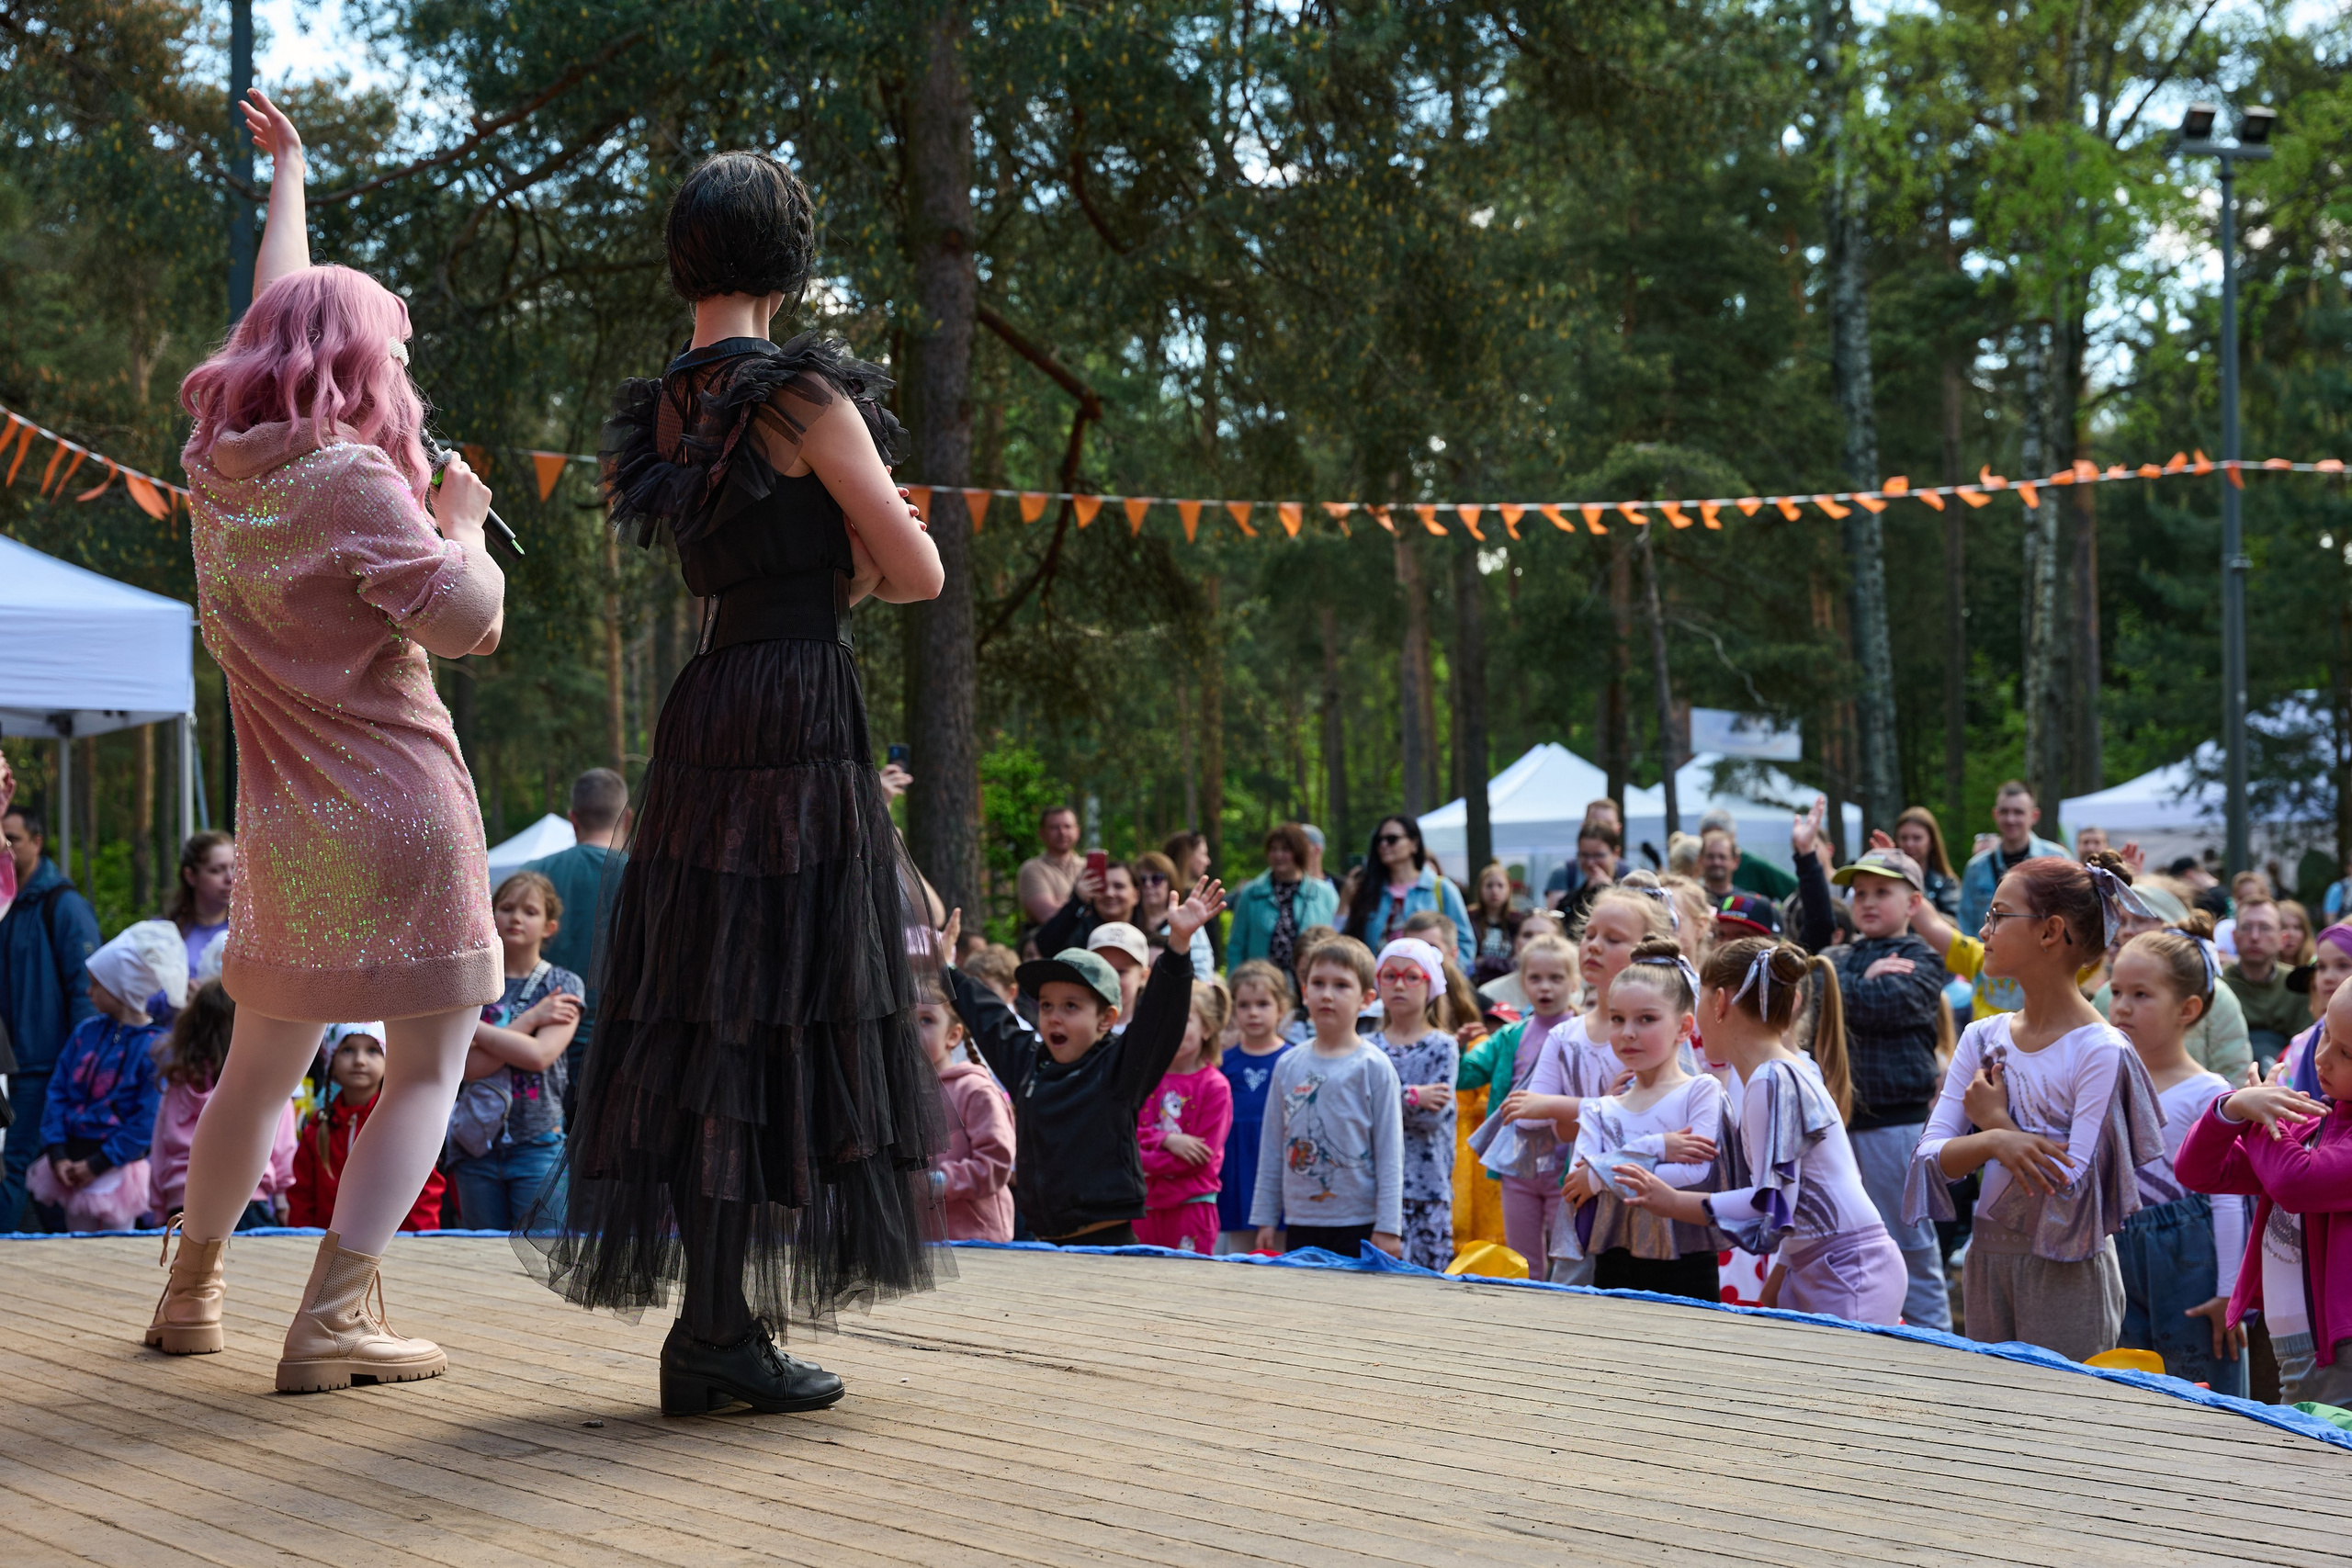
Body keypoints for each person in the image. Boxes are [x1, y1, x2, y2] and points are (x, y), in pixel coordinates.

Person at [534, 145, 947, 1417]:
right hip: (800, 702)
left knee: (716, 1004)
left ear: (686, 257)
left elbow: (742, 562)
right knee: (785, 999)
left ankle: (715, 1324)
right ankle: (718, 1331)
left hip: (710, 707)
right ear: (789, 257)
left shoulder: (665, 407)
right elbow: (915, 572)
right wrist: (861, 570)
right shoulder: (805, 397)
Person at [155, 89, 508, 1393]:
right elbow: (471, 623)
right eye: (395, 356)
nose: (404, 376)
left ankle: (191, 1291)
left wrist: (291, 177)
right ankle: (336, 1316)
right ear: (358, 366)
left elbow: (282, 302)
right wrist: (462, 519)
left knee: (259, 1059)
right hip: (403, 802)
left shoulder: (218, 470)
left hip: (286, 822)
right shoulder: (362, 482)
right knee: (429, 1058)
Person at [1905, 852, 2165, 1361]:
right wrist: (1996, 1140)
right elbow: (1929, 1157)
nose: (1984, 931)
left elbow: (2076, 1191)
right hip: (1987, 1258)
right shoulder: (1983, 1036)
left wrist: (1996, 1125)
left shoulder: (2100, 1050)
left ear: (2050, 931)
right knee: (1994, 1429)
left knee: (2063, 1427)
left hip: (2067, 1271)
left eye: (1999, 916)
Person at [1619, 938, 1905, 1324]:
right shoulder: (1776, 1074)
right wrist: (1779, 1280)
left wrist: (1671, 1202)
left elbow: (1773, 1203)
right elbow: (1796, 1195)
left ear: (1720, 1002)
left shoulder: (1772, 1079)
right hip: (1825, 1263)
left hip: (1847, 1268)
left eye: (1698, 999)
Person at [940, 886, 1219, 1249]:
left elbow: (1160, 1020)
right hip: (1043, 1246)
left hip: (1106, 1246)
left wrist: (1178, 945)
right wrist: (946, 968)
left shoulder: (1120, 1068)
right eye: (1046, 1005)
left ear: (1106, 1018)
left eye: (1071, 1006)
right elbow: (989, 1018)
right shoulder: (1029, 1064)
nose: (1054, 1018)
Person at [1789, 812, 1956, 1333]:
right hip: (1839, 1128)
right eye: (1859, 892)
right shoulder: (1840, 954)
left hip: (1894, 1127)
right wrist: (1806, 859)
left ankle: (1939, 1360)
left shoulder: (1924, 958)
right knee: (1838, 1242)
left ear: (1913, 903)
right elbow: (1817, 975)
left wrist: (1842, 980)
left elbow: (1884, 1004)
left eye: (1881, 891)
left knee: (1910, 1247)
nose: (1865, 901)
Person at [2175, 985, 2352, 1408]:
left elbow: (2296, 1183)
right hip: (2300, 1346)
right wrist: (2232, 1109)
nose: (2323, 1056)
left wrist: (2259, 1121)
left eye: (2348, 1053)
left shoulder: (2295, 1132)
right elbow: (2199, 1172)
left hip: (2341, 1352)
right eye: (2325, 1034)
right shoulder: (2310, 1125)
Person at [1493, 879, 1677, 1280]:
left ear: (1646, 949)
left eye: (1612, 939)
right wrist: (1597, 1109)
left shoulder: (1659, 1034)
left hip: (1645, 1208)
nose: (1593, 945)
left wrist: (1573, 1109)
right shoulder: (1565, 1035)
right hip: (1584, 1202)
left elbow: (1657, 1117)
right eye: (1589, 934)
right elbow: (1536, 1121)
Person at [2105, 919, 2247, 1394]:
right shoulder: (2110, 1078)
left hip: (2189, 1261)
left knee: (2200, 1383)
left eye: (2141, 995)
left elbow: (2226, 1200)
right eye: (2117, 990)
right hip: (2119, 1246)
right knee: (2130, 1381)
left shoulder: (2208, 1091)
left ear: (2187, 1008)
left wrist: (2229, 1293)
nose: (2121, 1006)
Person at [1545, 942, 1728, 1302]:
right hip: (1615, 1262)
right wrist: (1658, 1147)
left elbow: (1697, 1173)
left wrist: (1603, 1174)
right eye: (1617, 1019)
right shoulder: (1601, 1109)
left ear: (1683, 1027)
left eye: (1646, 1019)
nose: (1628, 1032)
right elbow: (1577, 1182)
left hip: (1688, 1262)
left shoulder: (1700, 1091)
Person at [1250, 936, 1405, 1258]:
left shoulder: (1373, 1066)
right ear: (1304, 993)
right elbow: (1272, 1146)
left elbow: (1391, 1152)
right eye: (1318, 983)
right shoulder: (1288, 1064)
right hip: (1300, 1220)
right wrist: (1265, 1218)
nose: (1327, 995)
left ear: (1366, 999)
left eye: (1341, 985)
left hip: (1360, 1222)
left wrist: (1389, 1226)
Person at [446, 872, 582, 1232]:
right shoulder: (471, 983)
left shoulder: (563, 984)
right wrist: (533, 1018)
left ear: (549, 926)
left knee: (537, 1258)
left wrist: (471, 1028)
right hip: (476, 1147)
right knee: (481, 1261)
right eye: (506, 908)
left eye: (530, 911)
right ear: (491, 916)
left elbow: (539, 1055)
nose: (516, 918)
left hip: (537, 1145)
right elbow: (468, 1069)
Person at [28, 922, 180, 1233]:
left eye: (96, 984)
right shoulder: (86, 1033)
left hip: (116, 1170)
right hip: (69, 1161)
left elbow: (146, 1118)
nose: (88, 992)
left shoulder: (155, 1048)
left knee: (115, 1244)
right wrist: (57, 1153)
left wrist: (98, 1163)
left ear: (123, 987)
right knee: (74, 1240)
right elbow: (57, 1092)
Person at [0, 801, 102, 1230]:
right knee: (29, 1167)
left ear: (37, 842)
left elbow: (85, 990)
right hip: (11, 1062)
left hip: (43, 1064)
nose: (5, 847)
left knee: (12, 1163)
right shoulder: (7, 901)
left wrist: (82, 1064)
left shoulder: (63, 904)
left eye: (14, 839)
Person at [149, 973, 297, 1230]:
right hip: (248, 1201)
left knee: (192, 1269)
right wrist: (282, 1199)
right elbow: (282, 1147)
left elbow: (160, 1150)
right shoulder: (267, 1081)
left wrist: (160, 1209)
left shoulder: (180, 1082)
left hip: (183, 1201)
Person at [523, 767, 628, 1118]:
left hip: (542, 1046)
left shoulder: (533, 876)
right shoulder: (645, 876)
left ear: (573, 818)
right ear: (627, 817)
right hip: (625, 1048)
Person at [289, 1022, 446, 1234]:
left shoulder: (403, 1127)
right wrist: (303, 1241)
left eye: (373, 1050)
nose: (359, 1061)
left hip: (395, 1249)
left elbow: (424, 1192)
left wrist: (418, 1242)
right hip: (324, 1250)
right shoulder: (318, 1128)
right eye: (347, 1050)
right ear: (331, 1060)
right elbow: (302, 1197)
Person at [1364, 939, 1460, 1270]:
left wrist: (1385, 1100)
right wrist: (1413, 1096)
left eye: (1410, 976)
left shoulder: (1442, 1047)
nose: (1399, 985)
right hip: (1374, 1189)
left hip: (1428, 1187)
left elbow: (1434, 1118)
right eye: (1389, 976)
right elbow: (1362, 1111)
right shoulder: (1368, 1047)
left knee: (1424, 1283)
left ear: (1429, 983)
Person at [1136, 981, 1235, 1254]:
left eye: (1183, 1019)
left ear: (1207, 1028)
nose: (1171, 1026)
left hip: (1192, 1207)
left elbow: (1199, 1157)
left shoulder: (1215, 1087)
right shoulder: (1143, 1079)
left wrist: (1142, 1162)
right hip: (1144, 1207)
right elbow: (1127, 1138)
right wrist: (1166, 1139)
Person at [917, 977, 1013, 1244]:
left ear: (953, 1035)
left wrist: (934, 1183)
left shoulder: (975, 1090)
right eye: (903, 1021)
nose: (911, 1031)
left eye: (926, 1020)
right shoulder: (895, 1093)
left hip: (976, 1241)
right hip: (921, 1243)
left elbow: (996, 1165)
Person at [1218, 961, 1294, 1254]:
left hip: (1278, 1166)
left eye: (1263, 1004)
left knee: (1283, 1252)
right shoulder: (1225, 1062)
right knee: (1239, 1251)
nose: (1253, 1012)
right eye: (1244, 1005)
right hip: (1237, 1168)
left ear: (1281, 1008)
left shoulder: (1292, 1059)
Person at [1340, 815, 1473, 968]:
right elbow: (1349, 939)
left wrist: (1443, 981)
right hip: (1379, 985)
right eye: (1379, 840)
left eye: (1392, 839)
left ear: (1414, 844)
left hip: (1428, 985)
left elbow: (1465, 944)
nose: (1383, 845)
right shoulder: (1367, 890)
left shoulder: (1442, 889)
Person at [1226, 823, 1340, 985]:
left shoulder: (1324, 894)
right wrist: (1234, 984)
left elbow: (1338, 940)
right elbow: (1236, 945)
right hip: (1261, 984)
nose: (1278, 855)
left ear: (1298, 852)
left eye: (1285, 850)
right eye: (1273, 849)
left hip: (1310, 981)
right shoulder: (1251, 893)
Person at [1956, 780, 2069, 942]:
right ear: (1995, 814)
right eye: (2004, 812)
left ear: (2034, 815)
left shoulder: (2057, 861)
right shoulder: (1976, 868)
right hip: (1987, 962)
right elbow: (1966, 927)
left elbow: (2069, 919)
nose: (2010, 819)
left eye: (2018, 812)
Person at [2224, 897, 2304, 1069]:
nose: (2254, 937)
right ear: (2234, 937)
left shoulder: (2298, 984)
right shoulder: (2217, 985)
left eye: (2265, 928)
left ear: (2282, 939)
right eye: (2246, 927)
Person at [164, 831, 236, 991]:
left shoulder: (250, 935)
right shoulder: (164, 932)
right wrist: (175, 997)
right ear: (190, 876)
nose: (230, 878)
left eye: (235, 867)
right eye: (217, 870)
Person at [1131, 851, 1216, 980]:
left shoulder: (1187, 922)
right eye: (1142, 880)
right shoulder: (1129, 922)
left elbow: (1202, 976)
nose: (1148, 885)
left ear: (1170, 883)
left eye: (1156, 879)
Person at [1035, 858, 1142, 957]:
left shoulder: (1148, 930)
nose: (1109, 893)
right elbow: (1045, 946)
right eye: (1102, 887)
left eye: (1119, 886)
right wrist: (1077, 900)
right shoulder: (1078, 932)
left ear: (1136, 895)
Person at [1016, 806, 1083, 949]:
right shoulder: (1032, 869)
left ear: (1077, 831)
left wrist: (1063, 903)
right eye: (1054, 827)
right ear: (1042, 833)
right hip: (1049, 951)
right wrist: (1083, 903)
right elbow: (1049, 916)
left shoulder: (1087, 867)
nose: (1062, 832)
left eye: (1067, 826)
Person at [1695, 807, 1798, 900]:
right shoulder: (1695, 864)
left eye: (1720, 836)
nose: (1716, 862)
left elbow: (1796, 890)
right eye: (1710, 837)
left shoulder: (1754, 866)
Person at [1894, 807, 1962, 920]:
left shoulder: (1947, 884)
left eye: (1917, 838)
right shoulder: (1889, 881)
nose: (1909, 844)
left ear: (1931, 842)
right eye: (1904, 838)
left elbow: (1955, 924)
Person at [1556, 821, 1626, 931]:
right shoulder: (1569, 901)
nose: (1590, 862)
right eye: (1584, 855)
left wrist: (1607, 888)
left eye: (1598, 855)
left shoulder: (1632, 892)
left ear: (1615, 854)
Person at [1464, 862, 1523, 982]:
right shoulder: (1469, 917)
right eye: (1489, 886)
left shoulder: (1517, 920)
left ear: (1509, 890)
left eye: (1500, 886)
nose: (1494, 891)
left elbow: (1518, 961)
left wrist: (1485, 961)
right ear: (1480, 889)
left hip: (1508, 981)